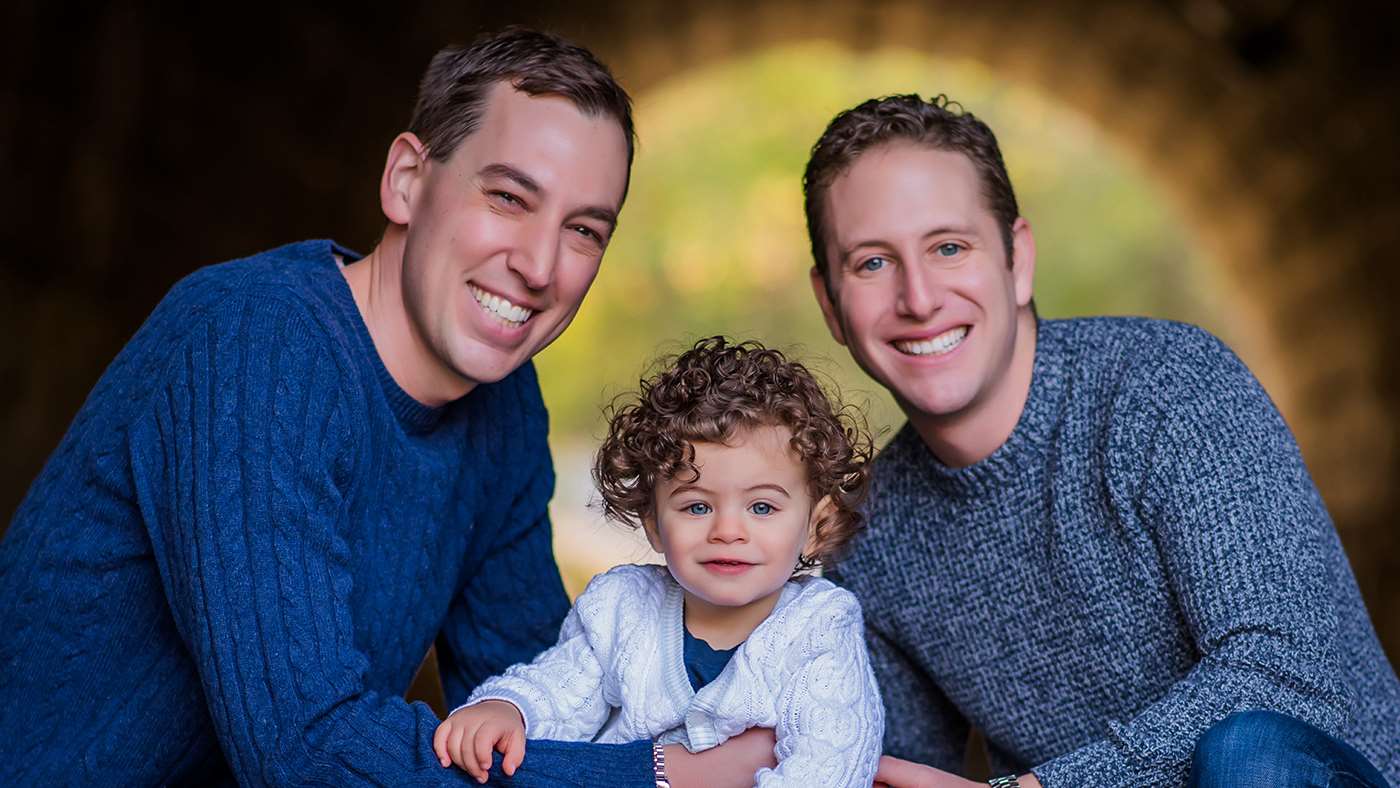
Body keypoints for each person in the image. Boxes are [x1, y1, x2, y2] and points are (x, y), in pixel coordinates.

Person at [0, 27, 749, 786]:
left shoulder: (503, 404)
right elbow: (308, 751)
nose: (538, 266)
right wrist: (665, 776)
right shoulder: (255, 338)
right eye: (507, 197)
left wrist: (785, 750)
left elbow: (545, 701)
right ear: (406, 182)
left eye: (583, 230)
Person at [801, 94, 1400, 787]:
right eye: (872, 263)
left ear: (1017, 260)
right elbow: (896, 771)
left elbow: (1286, 677)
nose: (919, 297)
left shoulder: (1168, 389)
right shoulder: (871, 535)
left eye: (949, 247)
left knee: (1247, 750)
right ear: (830, 305)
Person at [432, 337, 884, 786]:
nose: (728, 530)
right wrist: (508, 709)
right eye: (697, 507)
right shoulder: (623, 608)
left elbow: (829, 764)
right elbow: (557, 693)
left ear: (814, 526)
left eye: (762, 507)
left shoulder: (820, 628)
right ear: (653, 522)